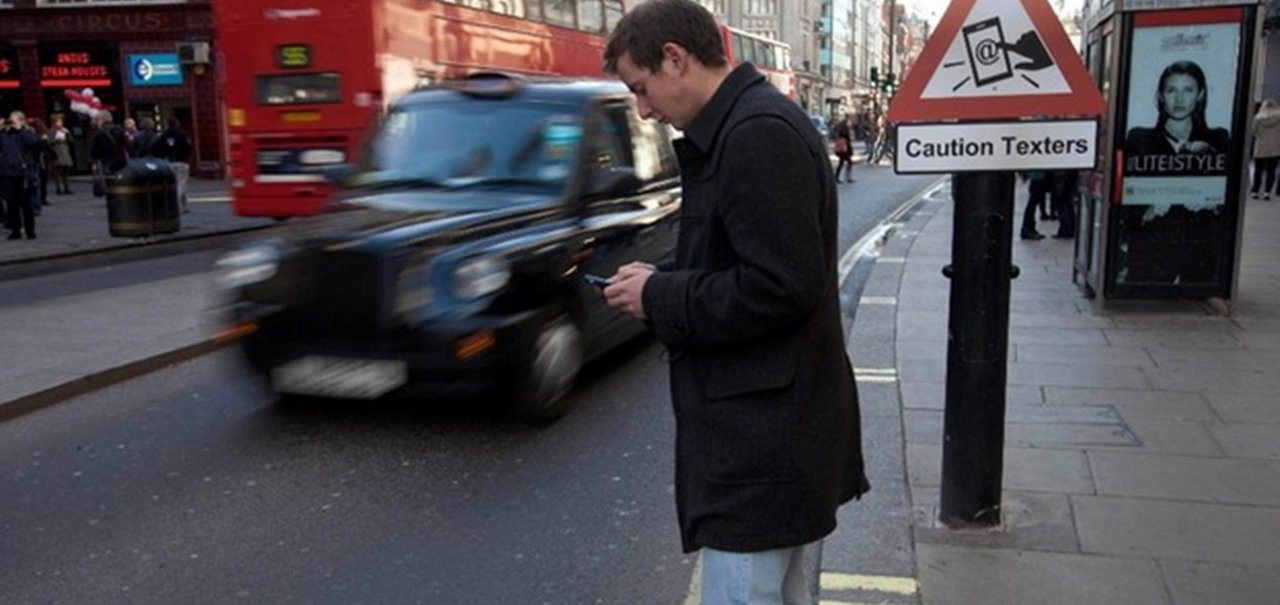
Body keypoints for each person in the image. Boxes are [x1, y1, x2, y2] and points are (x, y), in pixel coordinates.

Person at [599, 2, 869, 603]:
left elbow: (778, 287)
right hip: (773, 440)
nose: (643, 110)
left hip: (760, 450)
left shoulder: (755, 136)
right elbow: (748, 260)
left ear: (676, 58)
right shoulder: (746, 124)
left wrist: (661, 294)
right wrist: (660, 276)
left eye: (641, 89)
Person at [1124, 61, 1230, 163]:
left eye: (1188, 90)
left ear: (1200, 94)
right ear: (1160, 95)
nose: (1179, 99)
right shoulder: (1139, 140)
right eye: (1171, 90)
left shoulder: (1217, 140)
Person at [1, 110, 40, 239]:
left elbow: (33, 143)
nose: (12, 122)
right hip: (8, 172)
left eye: (15, 119)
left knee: (26, 203)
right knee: (11, 204)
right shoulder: (5, 135)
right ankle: (15, 230)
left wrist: (21, 129)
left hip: (23, 172)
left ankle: (30, 230)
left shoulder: (27, 133)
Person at [154, 117, 192, 212]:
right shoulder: (182, 135)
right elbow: (187, 148)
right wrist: (186, 157)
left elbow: (157, 148)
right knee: (181, 184)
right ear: (177, 124)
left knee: (176, 184)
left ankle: (185, 206)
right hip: (181, 161)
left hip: (169, 162)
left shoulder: (164, 136)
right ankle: (178, 206)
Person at [89, 113, 128, 194]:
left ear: (101, 120)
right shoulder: (120, 130)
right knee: (119, 178)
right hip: (120, 160)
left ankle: (111, 195)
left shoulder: (98, 134)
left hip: (106, 161)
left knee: (108, 180)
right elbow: (128, 145)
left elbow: (94, 150)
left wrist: (94, 163)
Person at [1250, 98, 1280, 200]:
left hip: (1260, 148)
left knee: (1258, 170)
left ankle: (1255, 191)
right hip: (1275, 148)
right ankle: (1267, 192)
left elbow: (1254, 131)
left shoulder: (1258, 117)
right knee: (1271, 171)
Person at [48, 116, 74, 195]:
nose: (60, 123)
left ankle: (66, 188)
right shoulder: (52, 131)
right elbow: (49, 142)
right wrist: (56, 140)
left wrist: (68, 133)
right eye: (58, 122)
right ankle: (58, 189)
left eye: (61, 122)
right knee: (57, 172)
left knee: (65, 172)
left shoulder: (64, 130)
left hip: (65, 152)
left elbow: (71, 140)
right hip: (57, 152)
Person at [1020, 171, 1048, 240]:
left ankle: (1029, 228)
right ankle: (1028, 229)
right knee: (1032, 205)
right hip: (1037, 179)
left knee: (1032, 205)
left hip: (1037, 179)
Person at [832, 113, 855, 184]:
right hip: (844, 147)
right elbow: (846, 135)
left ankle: (837, 177)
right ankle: (847, 177)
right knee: (848, 162)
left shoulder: (841, 125)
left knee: (842, 162)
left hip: (843, 146)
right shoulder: (844, 126)